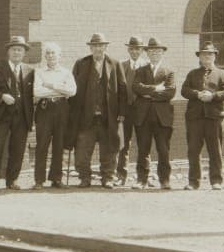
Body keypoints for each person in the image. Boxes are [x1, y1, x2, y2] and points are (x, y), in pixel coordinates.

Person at [69, 33, 129, 188]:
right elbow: (72, 89)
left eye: (101, 46)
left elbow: (123, 90)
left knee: (109, 150)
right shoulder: (81, 64)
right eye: (94, 46)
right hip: (86, 117)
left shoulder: (115, 64)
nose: (98, 49)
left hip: (108, 117)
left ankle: (108, 177)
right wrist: (73, 114)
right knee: (82, 149)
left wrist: (122, 113)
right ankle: (84, 178)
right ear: (90, 48)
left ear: (105, 47)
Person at [0, 35, 35, 192]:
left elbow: (32, 94)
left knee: (17, 150)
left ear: (24, 53)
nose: (17, 52)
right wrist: (1, 96)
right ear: (8, 52)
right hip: (0, 117)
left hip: (21, 117)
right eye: (14, 49)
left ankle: (12, 180)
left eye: (20, 50)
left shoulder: (30, 71)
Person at [180, 42, 224, 191]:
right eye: (204, 54)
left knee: (215, 150)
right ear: (200, 57)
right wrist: (197, 94)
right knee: (193, 150)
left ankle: (216, 181)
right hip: (195, 118)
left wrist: (213, 96)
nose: (207, 57)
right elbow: (184, 90)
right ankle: (193, 182)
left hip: (214, 117)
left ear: (214, 56)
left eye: (210, 54)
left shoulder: (222, 74)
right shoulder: (192, 74)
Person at [131, 37, 176, 189]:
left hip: (162, 117)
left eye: (158, 51)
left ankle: (164, 180)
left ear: (163, 53)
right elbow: (136, 87)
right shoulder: (140, 70)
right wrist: (156, 89)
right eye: (151, 51)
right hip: (143, 116)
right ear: (147, 53)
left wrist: (147, 92)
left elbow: (170, 92)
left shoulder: (169, 71)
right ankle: (141, 180)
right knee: (143, 149)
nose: (155, 53)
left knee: (163, 150)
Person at [31, 41, 77, 189]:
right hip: (45, 109)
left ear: (59, 56)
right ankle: (39, 180)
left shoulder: (66, 72)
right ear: (45, 56)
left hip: (62, 109)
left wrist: (51, 86)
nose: (51, 55)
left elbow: (72, 91)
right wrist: (60, 90)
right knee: (42, 144)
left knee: (59, 144)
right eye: (48, 53)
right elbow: (37, 92)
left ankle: (56, 178)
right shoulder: (39, 72)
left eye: (53, 53)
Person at [116, 36, 149, 187]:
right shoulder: (121, 67)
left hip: (143, 111)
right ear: (128, 50)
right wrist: (120, 111)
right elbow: (118, 91)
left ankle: (142, 178)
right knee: (123, 145)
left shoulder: (147, 66)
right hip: (126, 111)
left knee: (143, 144)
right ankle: (121, 176)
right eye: (132, 49)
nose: (135, 51)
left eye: (138, 49)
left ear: (142, 50)